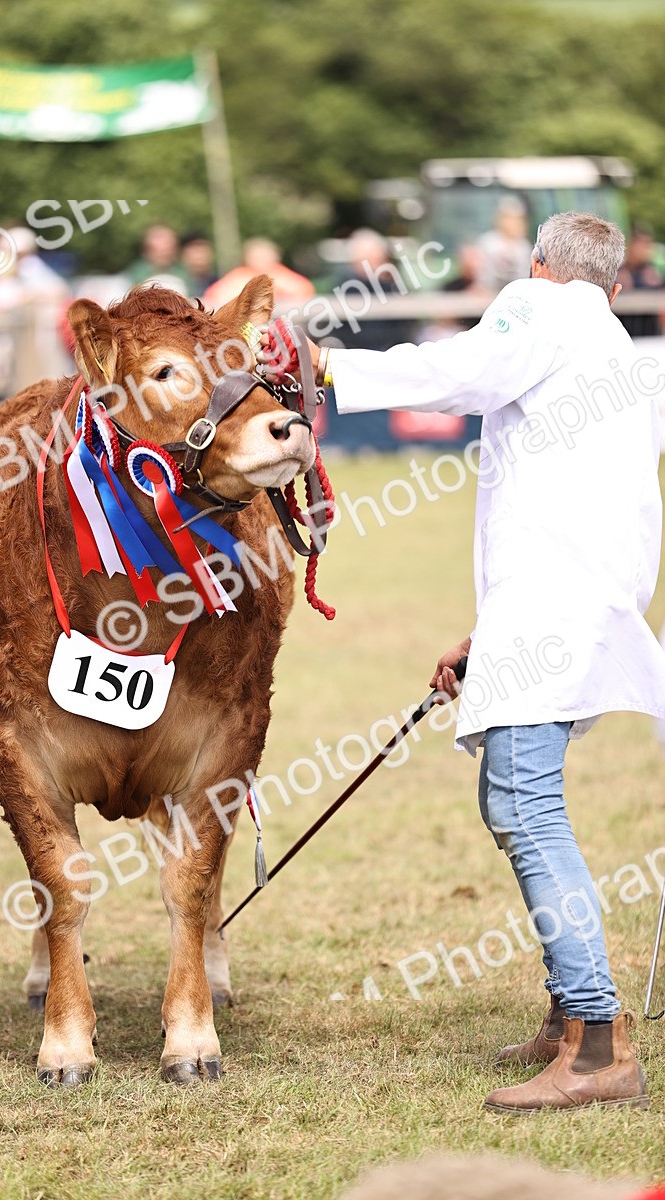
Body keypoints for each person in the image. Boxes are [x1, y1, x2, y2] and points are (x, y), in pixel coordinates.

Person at [260, 212, 665, 1113]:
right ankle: (572, 1022)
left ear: (540, 266)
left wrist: (325, 365)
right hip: (587, 605)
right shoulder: (622, 352)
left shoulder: (539, 309)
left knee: (524, 799)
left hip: (554, 609)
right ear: (615, 282)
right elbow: (584, 508)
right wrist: (491, 637)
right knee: (515, 796)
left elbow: (457, 372)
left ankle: (599, 1044)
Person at [203, 237, 314, 309]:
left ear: (276, 257)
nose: (261, 261)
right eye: (257, 257)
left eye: (265, 257)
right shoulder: (238, 276)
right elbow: (212, 296)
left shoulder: (284, 276)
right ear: (246, 259)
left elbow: (305, 291)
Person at [477, 197, 533, 292]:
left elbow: (525, 274)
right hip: (488, 294)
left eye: (517, 219)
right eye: (509, 218)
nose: (513, 223)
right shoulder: (488, 242)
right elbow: (481, 274)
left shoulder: (524, 246)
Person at [123, 224, 191, 294]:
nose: (163, 254)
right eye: (157, 250)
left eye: (167, 249)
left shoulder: (184, 272)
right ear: (145, 250)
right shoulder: (134, 274)